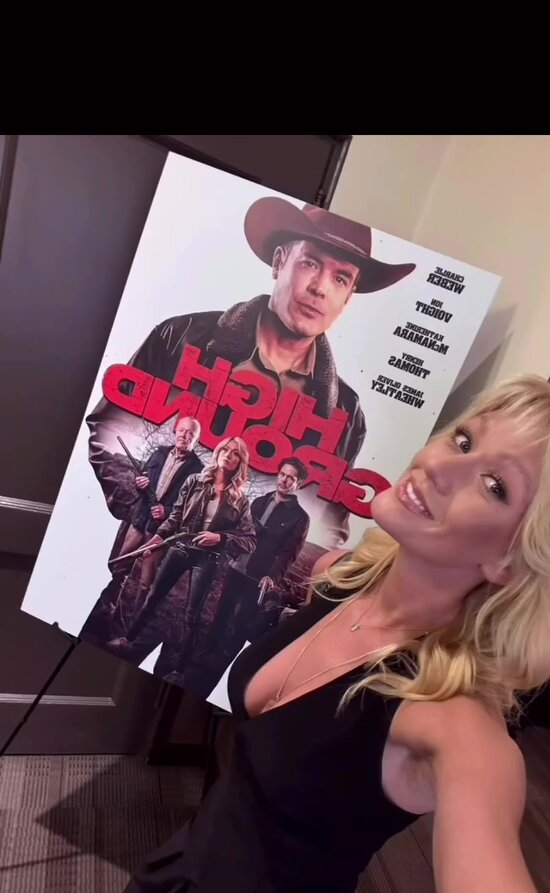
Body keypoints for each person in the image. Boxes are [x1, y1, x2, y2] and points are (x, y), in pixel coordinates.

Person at [75, 375, 550, 893]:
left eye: (495, 485)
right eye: (464, 440)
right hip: (179, 873)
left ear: (514, 558)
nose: (441, 467)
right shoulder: (338, 577)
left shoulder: (452, 719)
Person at [86, 198, 416, 547]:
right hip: (143, 547)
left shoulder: (346, 413)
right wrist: (146, 516)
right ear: (279, 262)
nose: (320, 288)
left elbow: (326, 522)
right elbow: (108, 433)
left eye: (340, 278)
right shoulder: (181, 337)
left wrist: (238, 559)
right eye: (310, 263)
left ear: (348, 297)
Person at [107, 436, 255, 677]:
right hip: (181, 547)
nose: (229, 455)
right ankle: (128, 639)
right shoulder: (195, 481)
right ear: (218, 453)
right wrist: (156, 540)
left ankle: (179, 670)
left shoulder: (241, 500)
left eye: (236, 453)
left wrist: (220, 538)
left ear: (240, 462)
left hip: (208, 558)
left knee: (191, 615)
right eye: (225, 450)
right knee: (153, 596)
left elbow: (249, 541)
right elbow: (175, 517)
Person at [189, 457, 310, 696]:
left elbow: (289, 553)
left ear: (299, 484)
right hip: (238, 566)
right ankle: (203, 655)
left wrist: (272, 577)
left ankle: (224, 669)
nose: (284, 481)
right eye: (282, 475)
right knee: (221, 610)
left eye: (291, 478)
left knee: (242, 622)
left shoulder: (300, 517)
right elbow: (241, 531)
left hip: (260, 577)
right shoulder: (260, 501)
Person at [109, 417, 202, 608]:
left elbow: (192, 507)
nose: (184, 436)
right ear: (175, 431)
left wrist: (167, 511)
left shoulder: (198, 470)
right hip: (140, 520)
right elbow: (142, 479)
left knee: (146, 581)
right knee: (120, 565)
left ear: (196, 439)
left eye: (190, 433)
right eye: (181, 430)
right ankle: (110, 605)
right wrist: (140, 484)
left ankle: (135, 616)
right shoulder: (159, 453)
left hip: (161, 530)